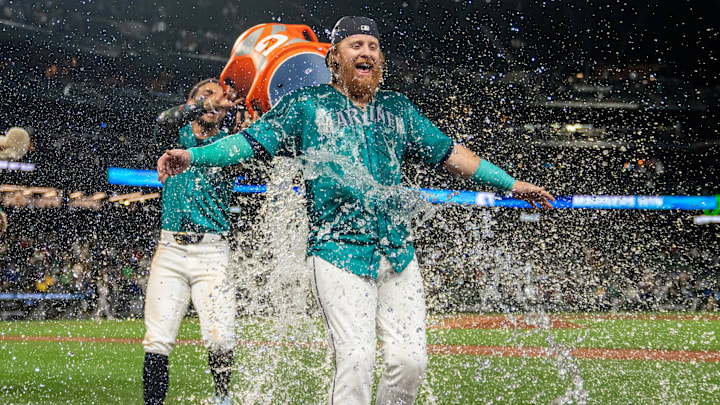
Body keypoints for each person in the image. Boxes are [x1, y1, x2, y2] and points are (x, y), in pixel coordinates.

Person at [157, 17, 555, 405]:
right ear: (333, 58)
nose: (366, 52)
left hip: (397, 250)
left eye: (373, 47)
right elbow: (246, 144)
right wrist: (191, 155)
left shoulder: (397, 108)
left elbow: (452, 154)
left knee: (410, 361)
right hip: (336, 251)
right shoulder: (305, 104)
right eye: (355, 46)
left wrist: (512, 183)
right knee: (357, 358)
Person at [142, 78, 247, 405]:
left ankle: (223, 398)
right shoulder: (177, 136)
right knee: (157, 340)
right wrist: (207, 102)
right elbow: (164, 119)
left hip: (212, 252)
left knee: (220, 337)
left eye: (220, 98)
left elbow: (256, 156)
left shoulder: (229, 144)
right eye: (206, 96)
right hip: (170, 249)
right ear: (192, 104)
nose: (215, 102)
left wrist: (246, 124)